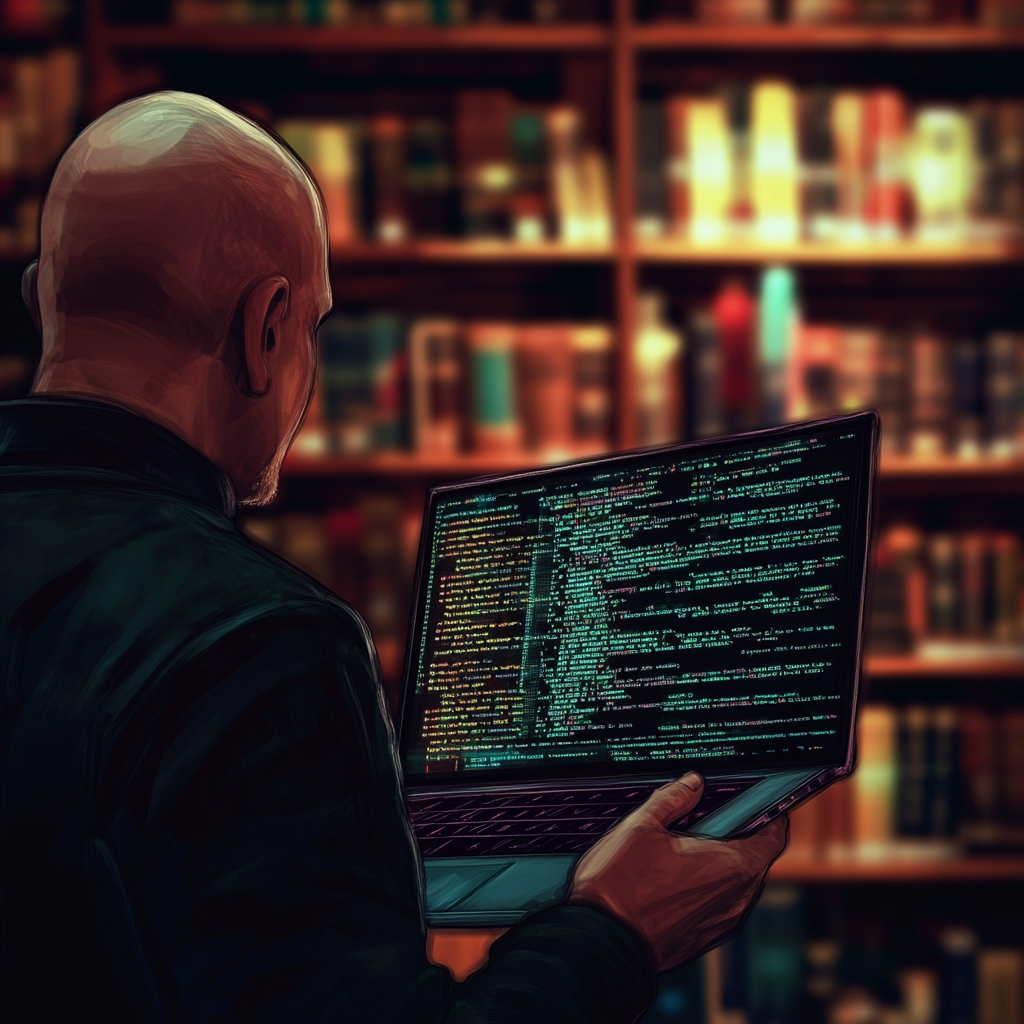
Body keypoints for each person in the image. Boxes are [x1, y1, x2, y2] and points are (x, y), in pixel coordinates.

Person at [0, 91, 787, 1023]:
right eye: (313, 330)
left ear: (41, 297)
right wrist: (610, 929)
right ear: (265, 330)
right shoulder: (260, 643)